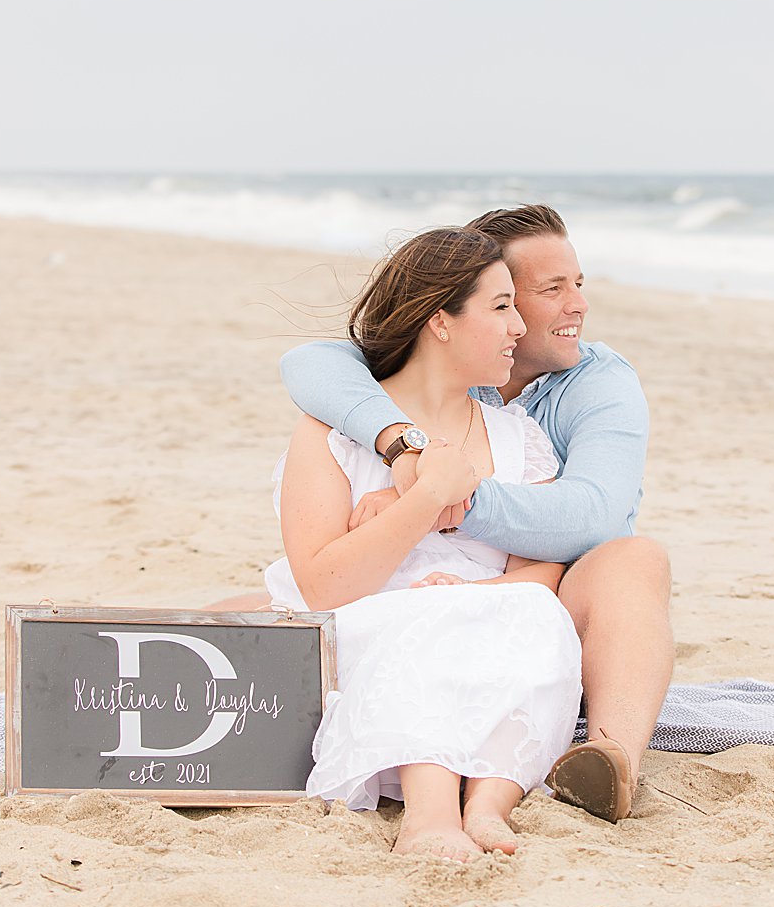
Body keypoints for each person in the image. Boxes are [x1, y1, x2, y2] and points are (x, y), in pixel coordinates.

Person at [274, 205, 673, 823]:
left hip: (560, 587)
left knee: (634, 560)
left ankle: (609, 757)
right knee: (296, 607)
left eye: (579, 284)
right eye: (548, 290)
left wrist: (440, 501)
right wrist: (400, 446)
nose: (578, 306)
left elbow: (593, 514)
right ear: (450, 312)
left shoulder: (597, 386)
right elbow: (310, 364)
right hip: (409, 588)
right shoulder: (438, 375)